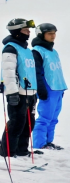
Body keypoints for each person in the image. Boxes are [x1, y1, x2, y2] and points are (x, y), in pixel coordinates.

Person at [0, 18, 40, 158]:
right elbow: (8, 72)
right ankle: (8, 152)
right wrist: (12, 92)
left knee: (29, 123)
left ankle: (22, 150)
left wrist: (35, 91)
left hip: (30, 92)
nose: (28, 32)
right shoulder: (10, 48)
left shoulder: (27, 50)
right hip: (18, 92)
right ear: (17, 32)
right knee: (17, 123)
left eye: (28, 30)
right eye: (25, 30)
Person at [31, 23, 64, 151]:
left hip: (57, 89)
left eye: (54, 33)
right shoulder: (37, 51)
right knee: (44, 118)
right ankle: (39, 144)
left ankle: (48, 142)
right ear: (41, 34)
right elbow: (36, 73)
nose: (53, 36)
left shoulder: (53, 51)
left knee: (53, 119)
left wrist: (60, 88)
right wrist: (41, 89)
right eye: (50, 33)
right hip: (48, 89)